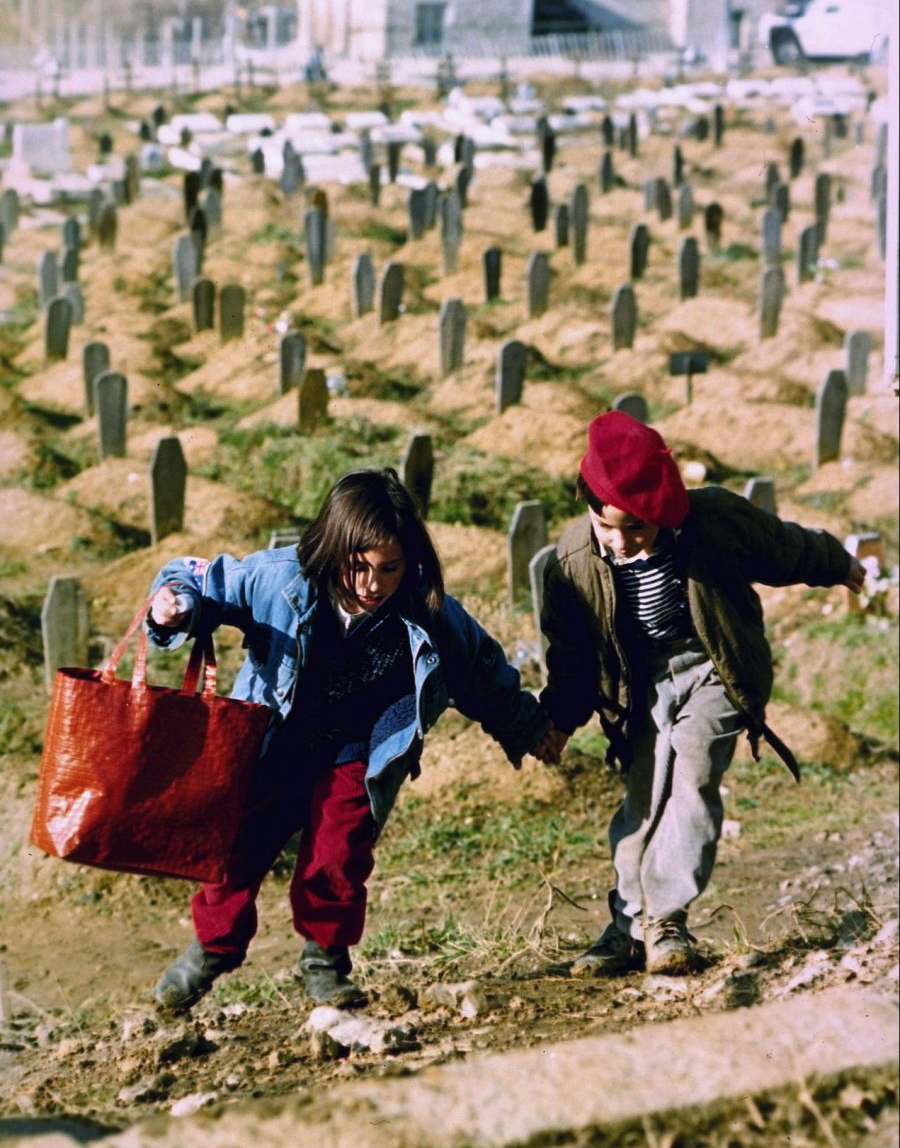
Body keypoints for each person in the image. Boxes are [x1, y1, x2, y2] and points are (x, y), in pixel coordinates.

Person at [146, 467, 550, 1013]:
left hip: (360, 746)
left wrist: (526, 727)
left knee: (339, 853)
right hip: (277, 737)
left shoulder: (427, 612)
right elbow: (198, 579)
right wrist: (175, 604)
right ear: (331, 549)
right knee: (236, 848)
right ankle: (212, 950)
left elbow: (480, 670)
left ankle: (325, 961)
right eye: (357, 567)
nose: (372, 584)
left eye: (389, 568)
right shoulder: (277, 578)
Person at [532, 410, 865, 978]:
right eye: (607, 526)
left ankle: (666, 920)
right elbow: (570, 656)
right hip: (639, 684)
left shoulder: (712, 521)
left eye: (638, 528)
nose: (623, 542)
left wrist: (840, 565)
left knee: (693, 773)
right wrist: (559, 719)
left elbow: (783, 548)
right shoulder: (571, 562)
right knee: (644, 795)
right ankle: (626, 925)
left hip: (714, 668)